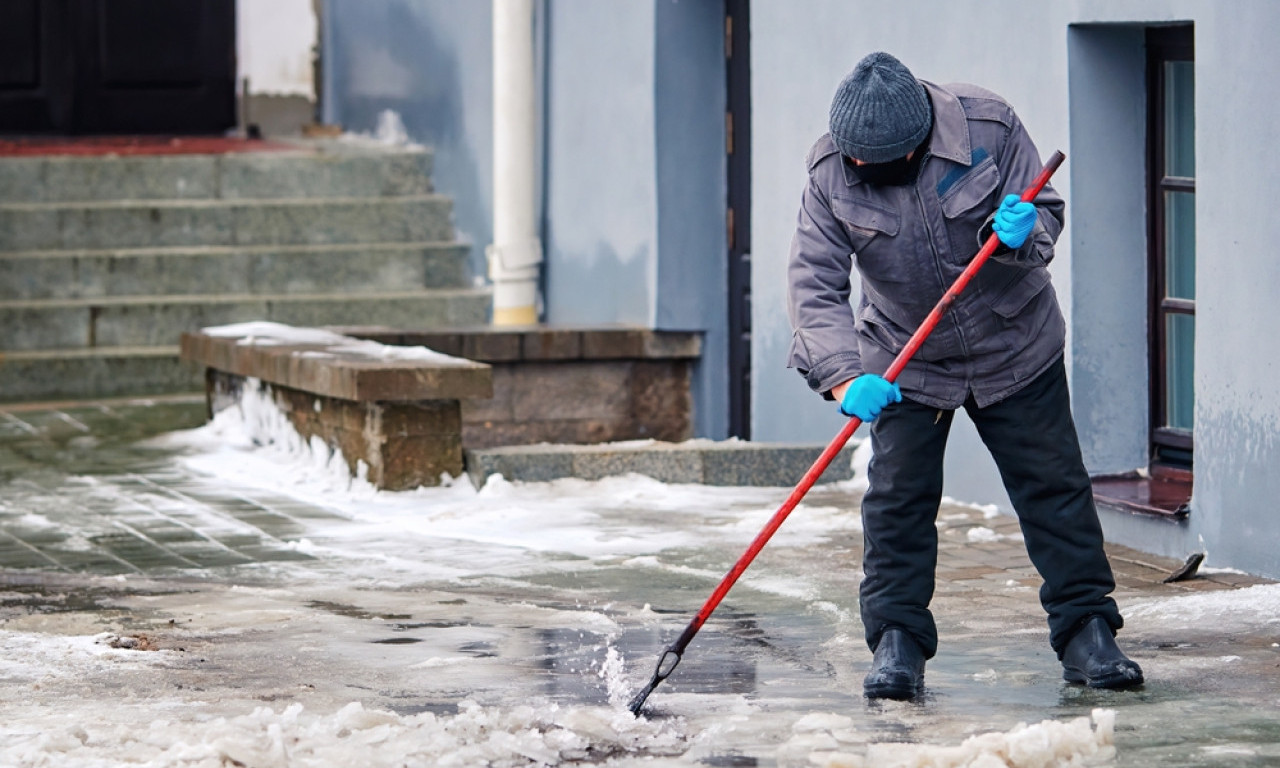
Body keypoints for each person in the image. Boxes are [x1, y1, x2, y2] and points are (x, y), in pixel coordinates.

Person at [786, 51, 1143, 700]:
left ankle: (1087, 632)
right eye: (853, 159)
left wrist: (1023, 231)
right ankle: (896, 644)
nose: (859, 168)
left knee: (1053, 490)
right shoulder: (829, 171)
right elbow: (813, 286)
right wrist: (844, 378)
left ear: (915, 142)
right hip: (904, 361)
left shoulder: (990, 129)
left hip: (1015, 345)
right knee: (896, 505)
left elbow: (1047, 212)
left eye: (873, 161)